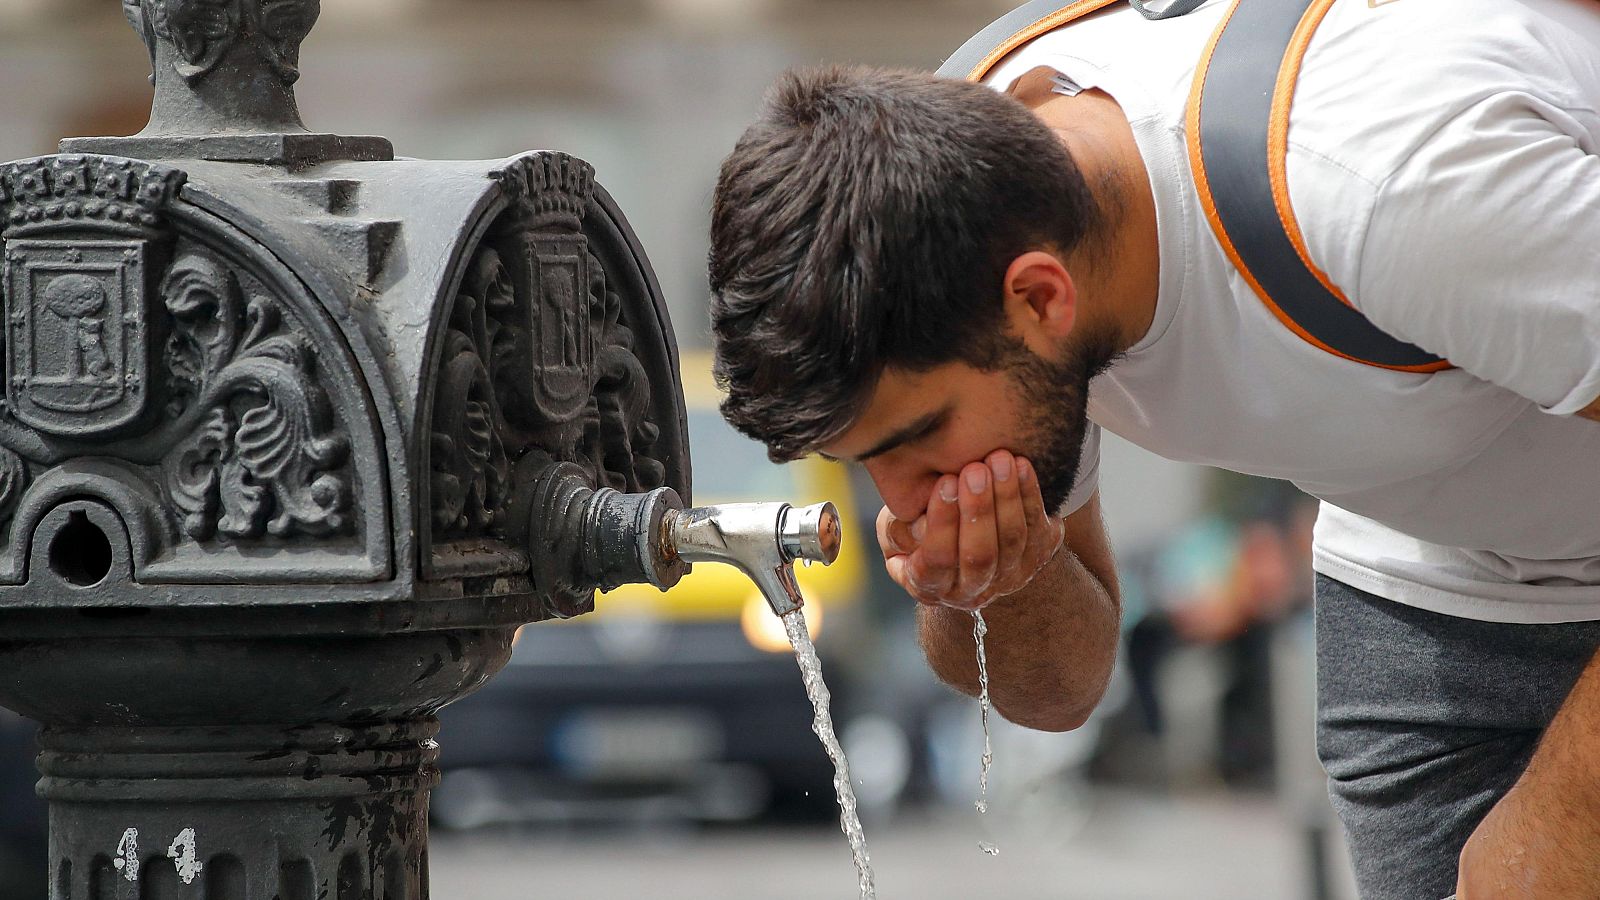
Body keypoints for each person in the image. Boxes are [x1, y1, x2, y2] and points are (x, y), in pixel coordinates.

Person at [703, 0, 1600, 896]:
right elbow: (1064, 689)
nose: (903, 500)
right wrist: (1000, 579)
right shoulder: (962, 196)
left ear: (1042, 298)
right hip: (1426, 568)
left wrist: (1569, 817)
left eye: (920, 438)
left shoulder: (1386, 187)